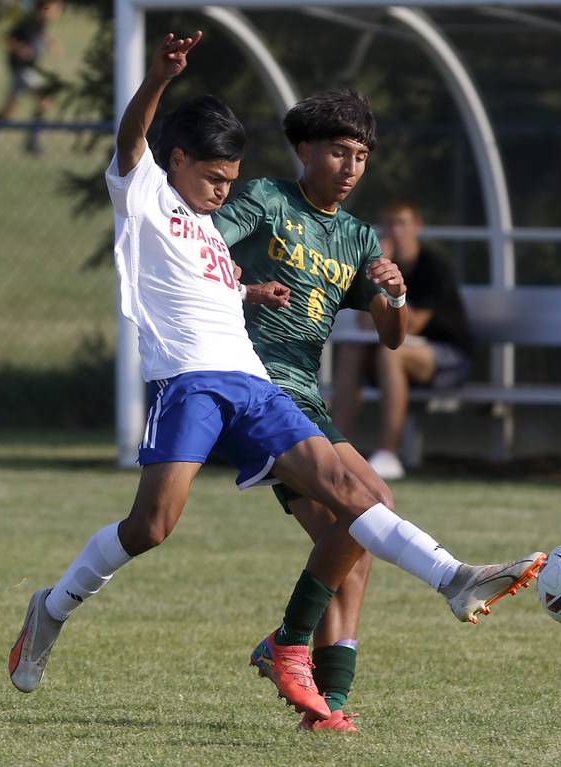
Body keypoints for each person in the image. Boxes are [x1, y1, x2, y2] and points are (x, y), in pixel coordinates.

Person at [7, 32, 547, 725]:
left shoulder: (208, 225)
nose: (223, 193)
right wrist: (160, 78)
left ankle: (455, 577)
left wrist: (249, 291)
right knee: (152, 525)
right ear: (176, 162)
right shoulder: (142, 194)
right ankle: (51, 608)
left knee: (354, 492)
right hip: (189, 382)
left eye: (231, 182)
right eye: (213, 180)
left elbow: (215, 277)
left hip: (255, 384)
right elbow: (131, 135)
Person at [213, 91, 411, 731]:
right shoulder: (268, 201)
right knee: (369, 507)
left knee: (358, 537)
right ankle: (287, 641)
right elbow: (199, 251)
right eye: (337, 152)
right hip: (254, 384)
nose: (351, 167)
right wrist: (245, 289)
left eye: (361, 156)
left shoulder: (356, 236)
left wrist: (394, 295)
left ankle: (328, 706)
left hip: (305, 395)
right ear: (305, 150)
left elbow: (390, 336)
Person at [330, 201, 473, 480]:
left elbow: (412, 325)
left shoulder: (433, 266)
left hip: (448, 357)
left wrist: (391, 290)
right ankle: (335, 449)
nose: (394, 230)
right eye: (388, 223)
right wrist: (379, 272)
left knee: (390, 352)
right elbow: (365, 321)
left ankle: (388, 453)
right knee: (352, 350)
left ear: (416, 226)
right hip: (397, 355)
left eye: (401, 223)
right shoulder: (377, 265)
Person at [0, 0, 64, 156]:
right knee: (44, 99)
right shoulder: (29, 21)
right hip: (21, 69)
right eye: (57, 8)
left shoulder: (39, 22)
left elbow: (40, 33)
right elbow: (7, 37)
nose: (58, 12)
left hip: (26, 70)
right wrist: (21, 49)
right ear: (46, 7)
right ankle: (31, 142)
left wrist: (50, 42)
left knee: (11, 108)